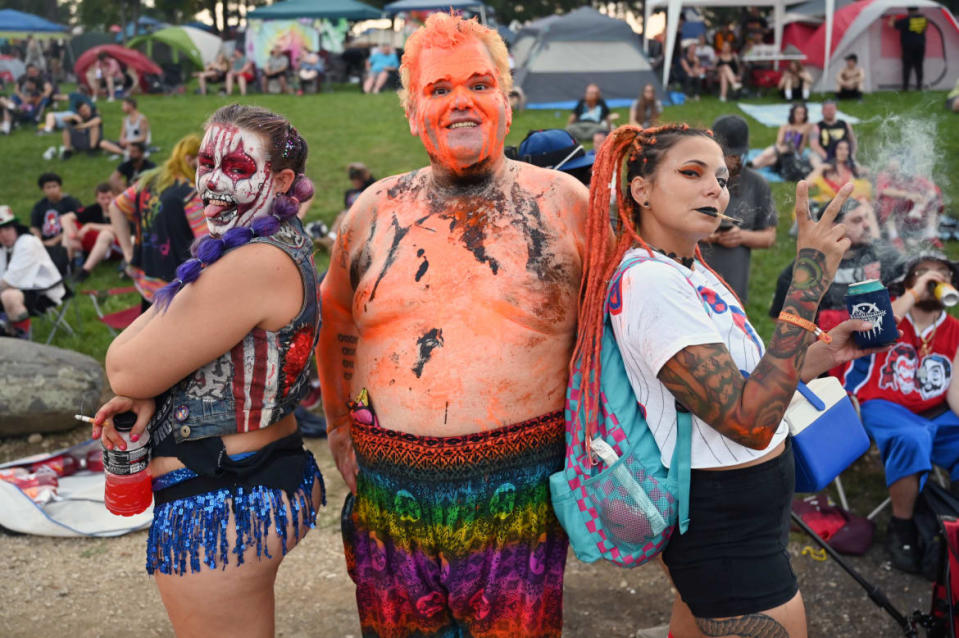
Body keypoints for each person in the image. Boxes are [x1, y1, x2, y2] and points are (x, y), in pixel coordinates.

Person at [319, 13, 589, 637]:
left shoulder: (565, 205)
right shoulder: (373, 211)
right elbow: (336, 319)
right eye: (439, 90)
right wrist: (336, 422)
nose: (461, 101)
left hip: (520, 493)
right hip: (390, 491)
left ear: (506, 101)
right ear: (413, 111)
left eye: (479, 83)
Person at [578, 120, 882, 637]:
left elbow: (748, 386)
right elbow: (748, 421)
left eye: (720, 178)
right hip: (724, 526)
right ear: (641, 189)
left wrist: (818, 357)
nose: (714, 188)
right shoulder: (650, 281)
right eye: (692, 172)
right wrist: (807, 281)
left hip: (743, 512)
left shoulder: (690, 271)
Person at [91, 104, 324, 636]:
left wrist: (145, 383)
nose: (213, 180)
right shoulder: (247, 246)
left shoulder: (251, 261)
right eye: (206, 161)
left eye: (238, 168)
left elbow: (124, 366)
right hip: (246, 479)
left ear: (283, 179)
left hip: (224, 500)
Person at [842, 252, 959, 574]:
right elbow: (875, 327)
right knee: (912, 436)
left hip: (935, 411)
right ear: (908, 283)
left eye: (943, 274)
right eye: (924, 272)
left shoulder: (955, 329)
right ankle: (902, 525)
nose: (935, 278)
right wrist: (915, 292)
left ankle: (950, 524)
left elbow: (956, 394)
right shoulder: (890, 316)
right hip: (881, 404)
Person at [770, 198, 900, 332]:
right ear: (834, 227)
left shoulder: (883, 255)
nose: (867, 225)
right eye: (857, 220)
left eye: (866, 217)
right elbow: (780, 316)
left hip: (879, 342)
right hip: (826, 345)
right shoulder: (807, 269)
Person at [108, 135, 206, 308]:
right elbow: (204, 243)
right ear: (190, 159)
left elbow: (115, 207)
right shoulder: (190, 194)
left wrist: (128, 252)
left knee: (146, 330)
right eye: (204, 162)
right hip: (179, 287)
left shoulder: (149, 182)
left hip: (148, 276)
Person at [699, 115, 777, 304]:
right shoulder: (697, 180)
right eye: (725, 154)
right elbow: (673, 227)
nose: (729, 160)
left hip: (733, 286)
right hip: (696, 279)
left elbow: (769, 237)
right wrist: (707, 236)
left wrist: (740, 236)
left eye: (733, 155)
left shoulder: (757, 184)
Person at [0, 205, 66, 339]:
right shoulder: (3, 247)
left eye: (7, 229)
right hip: (18, 288)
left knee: (9, 296)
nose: (3, 235)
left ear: (15, 228)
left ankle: (21, 341)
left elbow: (9, 281)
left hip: (43, 291)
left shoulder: (27, 243)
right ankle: (5, 332)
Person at [875, 156, 944, 248]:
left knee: (935, 193)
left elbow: (932, 190)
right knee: (888, 199)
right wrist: (907, 195)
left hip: (910, 214)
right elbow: (883, 191)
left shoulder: (912, 176)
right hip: (889, 216)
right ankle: (894, 237)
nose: (892, 166)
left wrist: (922, 202)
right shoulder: (884, 175)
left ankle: (931, 233)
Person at [59, 183, 121, 283]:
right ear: (97, 199)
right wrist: (72, 237)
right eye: (102, 198)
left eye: (109, 198)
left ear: (116, 197)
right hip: (98, 245)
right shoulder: (94, 209)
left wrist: (90, 226)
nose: (106, 201)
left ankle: (85, 271)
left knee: (106, 234)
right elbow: (65, 218)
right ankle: (67, 266)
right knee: (69, 228)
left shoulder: (121, 209)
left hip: (118, 247)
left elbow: (121, 229)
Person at [30, 172, 82, 271]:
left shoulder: (71, 202)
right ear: (43, 190)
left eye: (54, 186)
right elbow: (34, 227)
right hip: (46, 241)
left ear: (60, 187)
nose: (52, 190)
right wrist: (38, 240)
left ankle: (69, 266)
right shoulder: (39, 206)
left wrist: (53, 241)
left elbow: (76, 226)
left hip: (65, 240)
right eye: (48, 187)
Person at [751, 102, 814, 174]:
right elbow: (779, 142)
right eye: (797, 113)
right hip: (781, 150)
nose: (800, 116)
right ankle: (751, 166)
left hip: (793, 153)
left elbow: (801, 147)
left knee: (770, 155)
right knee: (770, 158)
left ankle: (751, 166)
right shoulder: (785, 126)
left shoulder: (807, 126)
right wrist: (790, 133)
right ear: (792, 113)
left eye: (802, 113)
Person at [807, 139, 871, 206]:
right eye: (840, 148)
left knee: (863, 201)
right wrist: (820, 169)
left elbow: (868, 174)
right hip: (830, 205)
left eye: (846, 149)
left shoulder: (852, 168)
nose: (843, 152)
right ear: (834, 150)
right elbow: (807, 184)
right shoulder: (826, 168)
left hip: (850, 204)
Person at [809, 99, 857, 168]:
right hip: (823, 154)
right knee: (813, 156)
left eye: (831, 109)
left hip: (842, 153)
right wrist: (827, 156)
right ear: (822, 111)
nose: (829, 111)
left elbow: (853, 141)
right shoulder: (817, 126)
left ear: (836, 110)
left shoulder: (844, 124)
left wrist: (852, 154)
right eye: (827, 109)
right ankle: (820, 172)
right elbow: (814, 145)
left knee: (857, 167)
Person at [891, 7, 928, 91]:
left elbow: (892, 25)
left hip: (908, 46)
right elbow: (924, 29)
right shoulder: (924, 19)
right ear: (917, 10)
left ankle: (905, 87)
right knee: (919, 66)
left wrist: (893, 18)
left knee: (907, 67)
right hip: (920, 45)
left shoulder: (906, 20)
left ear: (908, 11)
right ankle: (919, 86)